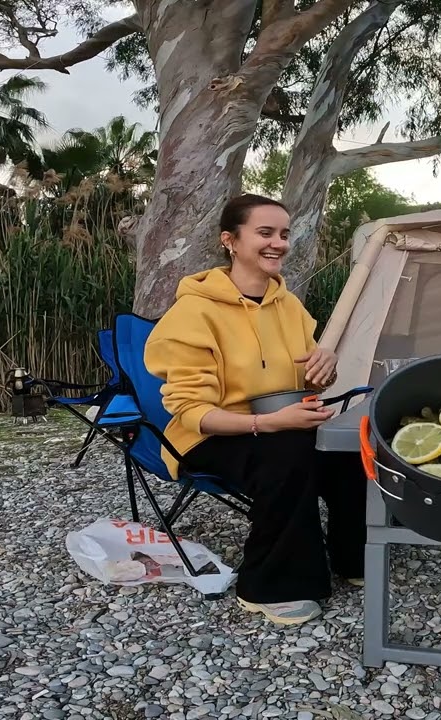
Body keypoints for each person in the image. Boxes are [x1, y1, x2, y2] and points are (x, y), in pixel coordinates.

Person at [144, 193, 365, 627]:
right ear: (230, 240)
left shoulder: (289, 305)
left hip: (283, 424)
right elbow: (191, 411)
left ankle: (353, 557)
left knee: (349, 451)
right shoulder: (194, 312)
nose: (278, 243)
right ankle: (269, 585)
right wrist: (268, 423)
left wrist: (325, 369)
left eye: (283, 234)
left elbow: (306, 380)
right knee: (286, 455)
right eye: (265, 233)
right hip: (209, 435)